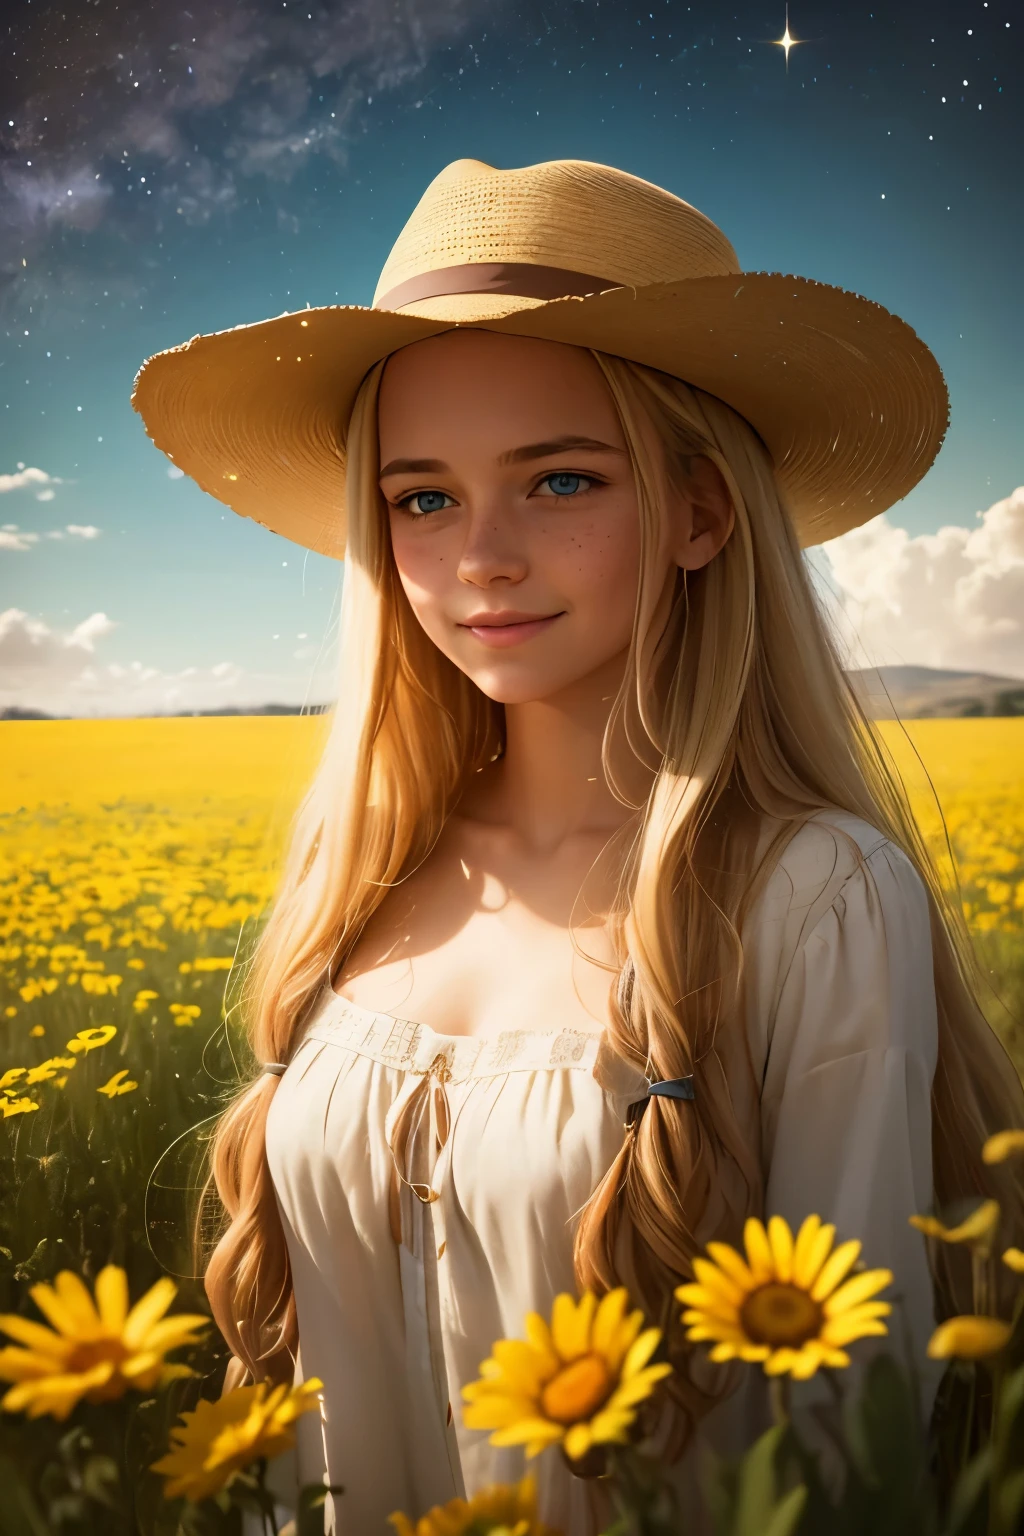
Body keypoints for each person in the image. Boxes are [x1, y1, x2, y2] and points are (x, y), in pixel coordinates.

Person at [132, 157, 1024, 1535]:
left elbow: (854, 1431)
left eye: (556, 480)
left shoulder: (814, 896)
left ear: (700, 514)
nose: (480, 555)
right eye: (422, 498)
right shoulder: (359, 879)